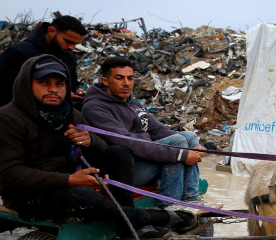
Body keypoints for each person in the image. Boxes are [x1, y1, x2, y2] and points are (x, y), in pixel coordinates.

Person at [0, 55, 194, 239]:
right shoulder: (0, 120)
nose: (53, 89)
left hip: (70, 175)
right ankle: (151, 218)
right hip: (29, 194)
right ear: (28, 84)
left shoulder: (70, 113)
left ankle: (128, 221)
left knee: (119, 153)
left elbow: (102, 148)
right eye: (44, 82)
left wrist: (91, 141)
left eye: (60, 83)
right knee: (83, 196)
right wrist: (70, 180)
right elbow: (10, 175)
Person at [81, 56, 206, 206]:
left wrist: (194, 148)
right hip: (126, 170)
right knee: (176, 144)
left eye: (130, 78)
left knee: (189, 136)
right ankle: (171, 206)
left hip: (146, 159)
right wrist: (181, 153)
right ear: (105, 81)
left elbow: (157, 129)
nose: (126, 83)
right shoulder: (95, 107)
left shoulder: (132, 103)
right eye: (119, 78)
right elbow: (127, 141)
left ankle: (191, 199)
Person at [0, 15, 87, 106]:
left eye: (76, 44)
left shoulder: (69, 57)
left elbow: (72, 84)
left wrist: (77, 91)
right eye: (68, 42)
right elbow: (5, 93)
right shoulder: (18, 53)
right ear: (51, 31)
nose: (72, 47)